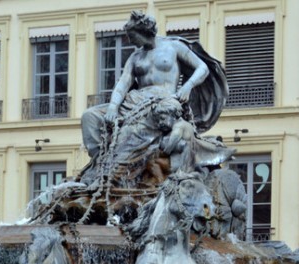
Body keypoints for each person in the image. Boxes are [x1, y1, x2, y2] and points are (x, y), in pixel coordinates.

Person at [80, 11, 227, 161]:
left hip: (164, 100)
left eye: (131, 36)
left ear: (142, 32)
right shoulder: (135, 57)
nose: (130, 41)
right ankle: (101, 163)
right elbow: (123, 83)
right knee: (89, 116)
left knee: (134, 130)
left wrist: (187, 86)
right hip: (135, 101)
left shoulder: (174, 47)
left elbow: (202, 68)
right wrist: (112, 106)